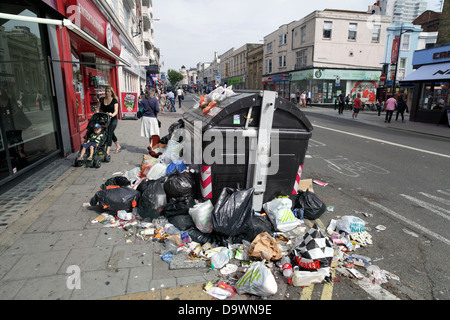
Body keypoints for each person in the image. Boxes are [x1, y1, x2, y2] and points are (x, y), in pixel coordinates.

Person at [98, 86, 121, 158]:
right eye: (106, 91)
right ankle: (118, 146)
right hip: (104, 119)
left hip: (112, 119)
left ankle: (107, 151)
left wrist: (112, 114)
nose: (106, 93)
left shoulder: (114, 100)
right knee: (111, 132)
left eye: (108, 91)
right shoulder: (101, 99)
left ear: (111, 92)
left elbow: (116, 111)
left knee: (109, 133)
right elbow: (98, 109)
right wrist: (96, 113)